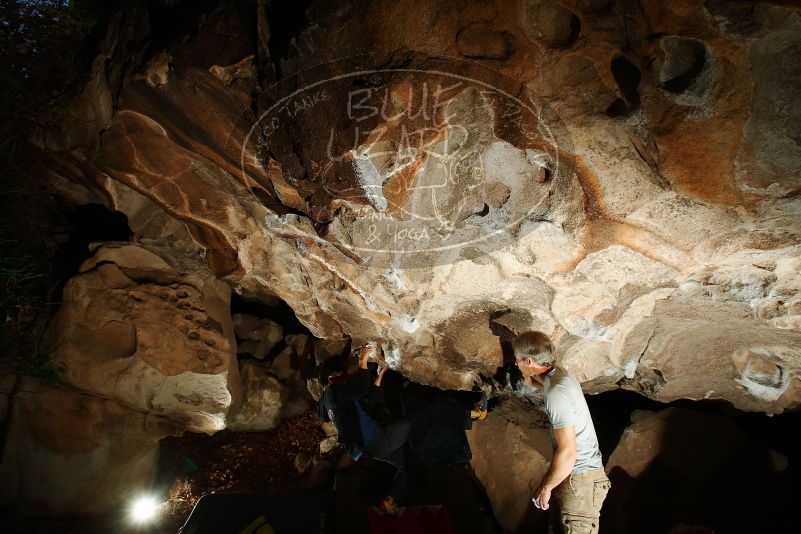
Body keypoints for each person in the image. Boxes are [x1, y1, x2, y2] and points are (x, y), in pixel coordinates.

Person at [512, 331, 611, 534]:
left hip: (580, 479)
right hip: (576, 477)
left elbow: (568, 452)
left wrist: (547, 487)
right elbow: (548, 387)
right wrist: (529, 381)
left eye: (517, 360)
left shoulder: (556, 394)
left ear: (528, 360)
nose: (515, 364)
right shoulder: (560, 375)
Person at [317, 342, 408, 512]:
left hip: (370, 448)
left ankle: (390, 500)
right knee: (411, 422)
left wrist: (380, 376)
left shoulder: (332, 401)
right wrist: (362, 360)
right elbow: (361, 388)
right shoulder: (334, 393)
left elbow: (367, 403)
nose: (345, 378)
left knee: (405, 465)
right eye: (342, 375)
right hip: (374, 439)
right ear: (332, 377)